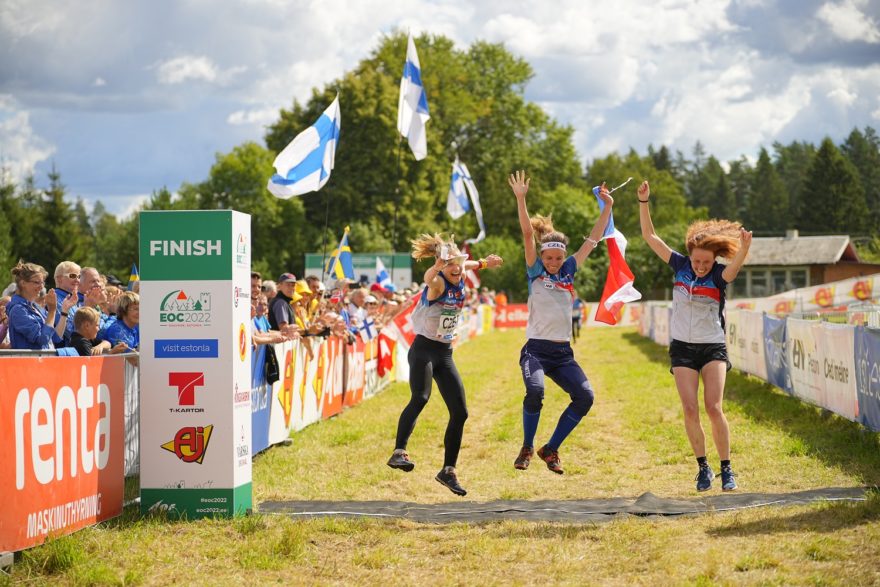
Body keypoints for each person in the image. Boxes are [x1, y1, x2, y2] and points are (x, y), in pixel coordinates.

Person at [637, 180, 751, 492]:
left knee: (714, 407)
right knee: (690, 409)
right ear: (690, 256)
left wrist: (745, 249)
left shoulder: (718, 275)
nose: (700, 267)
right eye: (697, 261)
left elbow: (735, 269)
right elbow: (650, 236)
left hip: (712, 346)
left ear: (714, 260)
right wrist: (644, 203)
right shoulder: (679, 265)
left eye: (706, 261)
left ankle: (727, 469)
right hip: (683, 348)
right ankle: (703, 468)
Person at [509, 170, 613, 475]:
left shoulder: (569, 270)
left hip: (563, 354)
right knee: (535, 393)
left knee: (585, 397)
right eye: (549, 258)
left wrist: (606, 208)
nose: (554, 263)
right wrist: (521, 198)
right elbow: (528, 233)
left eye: (558, 258)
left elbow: (594, 239)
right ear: (542, 257)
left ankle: (550, 449)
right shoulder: (535, 271)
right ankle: (527, 446)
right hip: (536, 352)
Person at [387, 234, 503, 496]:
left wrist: (484, 263)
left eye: (458, 264)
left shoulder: (459, 272)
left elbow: (466, 265)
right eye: (450, 264)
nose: (457, 268)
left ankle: (448, 471)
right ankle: (399, 452)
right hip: (424, 351)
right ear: (441, 265)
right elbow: (429, 278)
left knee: (460, 412)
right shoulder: (437, 283)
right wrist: (437, 266)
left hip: (445, 353)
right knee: (420, 397)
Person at [7, 261, 77, 350]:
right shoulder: (18, 310)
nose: (41, 287)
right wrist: (51, 311)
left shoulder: (35, 307)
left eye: (42, 282)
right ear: (23, 283)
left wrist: (65, 311)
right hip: (29, 363)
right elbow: (42, 340)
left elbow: (56, 338)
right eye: (37, 282)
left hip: (43, 362)